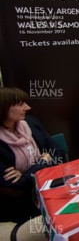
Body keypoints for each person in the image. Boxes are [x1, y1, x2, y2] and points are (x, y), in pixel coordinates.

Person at [1, 87, 65, 223]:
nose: (27, 107)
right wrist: (42, 163)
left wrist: (25, 174)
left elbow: (59, 153)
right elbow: (14, 185)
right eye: (20, 104)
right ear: (3, 108)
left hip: (48, 184)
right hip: (21, 201)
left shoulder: (30, 123)